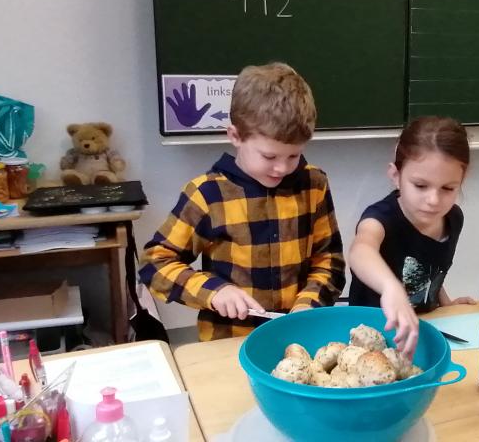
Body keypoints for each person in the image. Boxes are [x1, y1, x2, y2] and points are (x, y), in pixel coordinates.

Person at [140, 63, 345, 341]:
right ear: (235, 136)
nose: (282, 168)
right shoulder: (207, 194)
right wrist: (214, 291)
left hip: (297, 339)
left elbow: (329, 261)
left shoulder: (314, 184)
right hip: (230, 342)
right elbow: (155, 264)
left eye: (293, 156)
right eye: (269, 157)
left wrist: (308, 305)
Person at [348, 116, 476, 358]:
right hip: (373, 341)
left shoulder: (453, 219)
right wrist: (391, 288)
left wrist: (446, 304)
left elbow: (430, 271)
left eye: (448, 188)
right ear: (396, 176)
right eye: (420, 185)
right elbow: (360, 250)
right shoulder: (380, 219)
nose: (433, 200)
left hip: (422, 334)